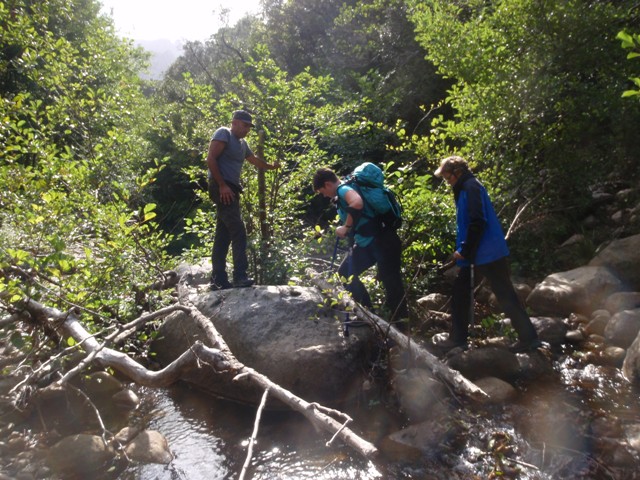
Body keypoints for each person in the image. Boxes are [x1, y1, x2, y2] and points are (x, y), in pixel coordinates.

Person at [433, 155, 542, 353]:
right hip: (484, 250)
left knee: (473, 294)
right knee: (495, 293)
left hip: (483, 252)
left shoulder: (471, 187)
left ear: (457, 172)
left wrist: (465, 250)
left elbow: (478, 221)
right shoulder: (466, 187)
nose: (447, 182)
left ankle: (459, 340)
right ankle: (528, 338)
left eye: (448, 177)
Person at [313, 167, 409, 330]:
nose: (324, 195)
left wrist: (346, 227)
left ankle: (401, 329)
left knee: (392, 283)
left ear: (328, 184)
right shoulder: (345, 188)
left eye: (322, 191)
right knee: (346, 273)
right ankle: (368, 315)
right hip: (371, 242)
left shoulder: (343, 189)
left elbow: (357, 202)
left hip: (383, 241)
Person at [206, 110, 279, 290]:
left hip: (232, 189)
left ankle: (217, 280)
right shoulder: (224, 133)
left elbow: (254, 160)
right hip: (221, 186)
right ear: (235, 122)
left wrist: (272, 167)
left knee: (223, 234)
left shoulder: (242, 144)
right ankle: (240, 276)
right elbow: (211, 158)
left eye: (249, 127)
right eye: (245, 125)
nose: (247, 129)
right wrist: (222, 185)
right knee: (238, 229)